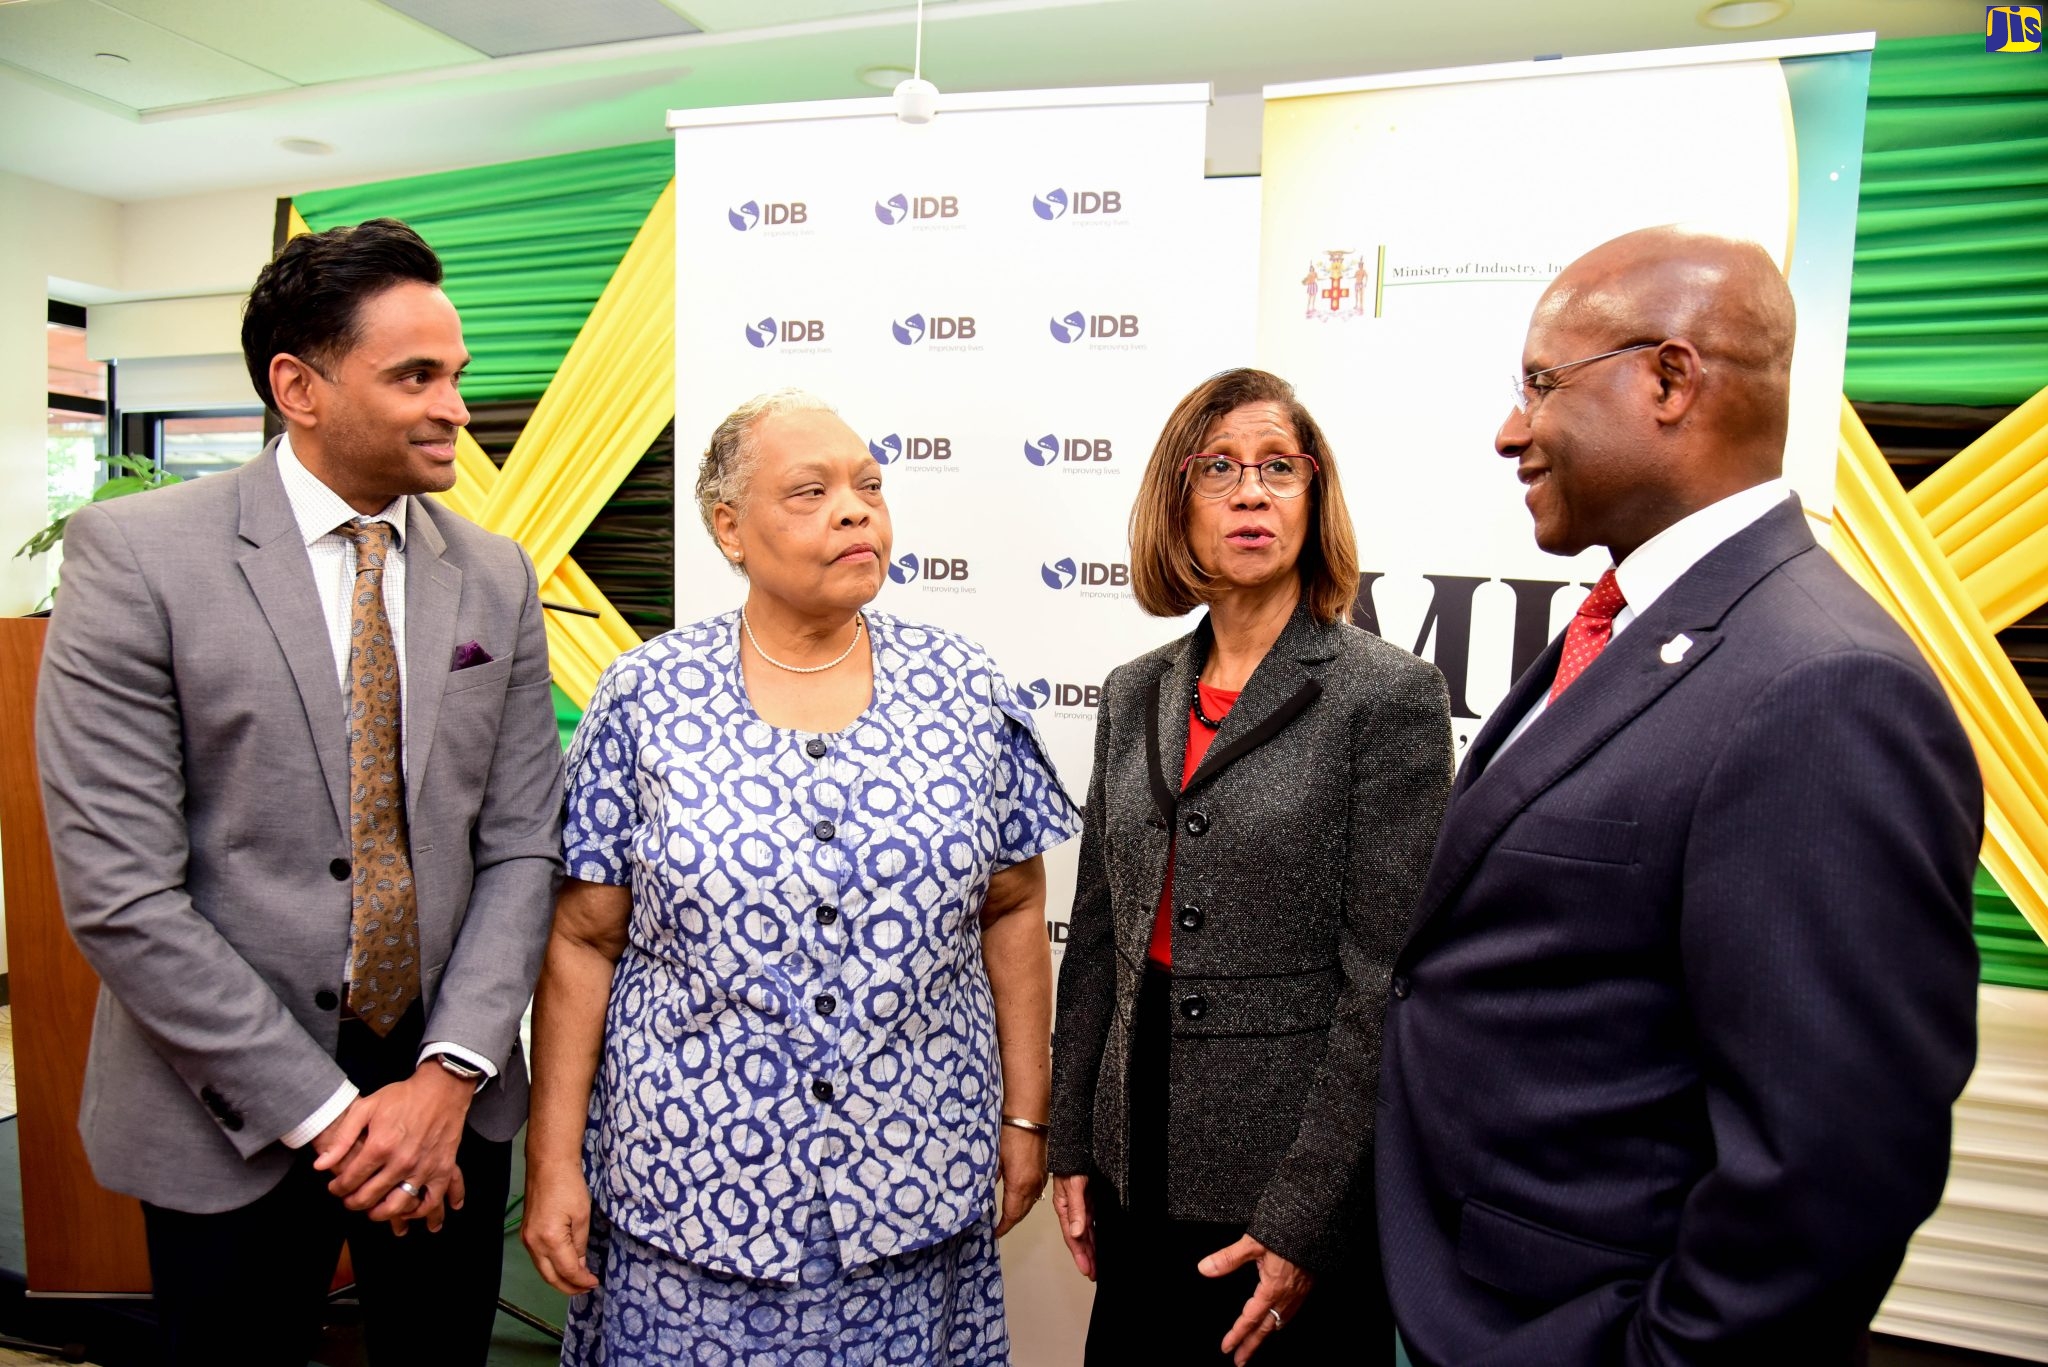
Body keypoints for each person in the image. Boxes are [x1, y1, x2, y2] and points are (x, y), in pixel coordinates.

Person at [1375, 226, 1984, 1365]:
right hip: (1468, 1298)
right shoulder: (1640, 626)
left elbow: (1834, 1163)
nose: (1511, 428)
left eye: (1540, 384)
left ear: (1668, 377)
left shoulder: (1821, 687)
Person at [35, 218, 563, 1364]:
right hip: (226, 1105)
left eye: (457, 374)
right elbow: (122, 892)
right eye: (415, 376)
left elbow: (523, 843)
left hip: (448, 1104)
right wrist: (332, 1118)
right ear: (299, 387)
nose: (456, 409)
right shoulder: (137, 559)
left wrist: (446, 1074)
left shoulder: (494, 573)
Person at [521, 389, 1079, 1365]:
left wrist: (1023, 1117)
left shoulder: (966, 689)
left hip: (911, 1190)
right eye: (811, 490)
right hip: (686, 1203)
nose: (855, 509)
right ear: (728, 527)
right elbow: (583, 936)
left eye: (868, 484)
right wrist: (553, 1157)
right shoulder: (644, 695)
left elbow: (1015, 907)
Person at [1048, 367, 1454, 1366]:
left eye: (1279, 467)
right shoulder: (1133, 691)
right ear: (1173, 502)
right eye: (1218, 468)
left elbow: (1383, 982)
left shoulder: (1384, 695)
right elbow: (1096, 932)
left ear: (1313, 500)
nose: (1250, 491)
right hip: (1132, 1154)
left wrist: (1305, 1212)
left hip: (1284, 1172)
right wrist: (1069, 1139)